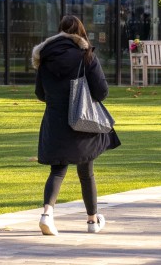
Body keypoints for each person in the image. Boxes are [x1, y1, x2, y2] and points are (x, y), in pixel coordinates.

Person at [32, 15, 120, 236]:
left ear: (59, 31)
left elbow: (40, 93)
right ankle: (92, 220)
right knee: (86, 170)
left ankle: (47, 214)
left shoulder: (44, 57)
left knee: (58, 170)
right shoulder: (85, 55)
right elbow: (101, 91)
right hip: (82, 119)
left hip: (55, 120)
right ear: (80, 32)